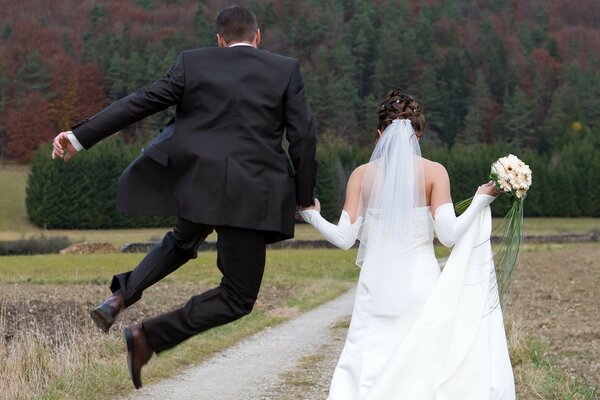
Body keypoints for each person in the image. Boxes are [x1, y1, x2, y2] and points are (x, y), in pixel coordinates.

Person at [51, 5, 317, 389]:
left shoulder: (193, 63)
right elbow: (304, 139)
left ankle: (120, 297)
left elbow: (139, 101)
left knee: (180, 241)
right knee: (238, 297)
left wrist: (80, 137)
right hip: (250, 195)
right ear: (257, 37)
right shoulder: (284, 69)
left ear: (220, 40)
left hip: (198, 185)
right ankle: (149, 337)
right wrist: (304, 198)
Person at [299, 89, 515, 399]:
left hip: (376, 287)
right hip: (419, 286)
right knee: (420, 362)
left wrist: (313, 216)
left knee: (368, 358)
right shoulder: (434, 172)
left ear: (379, 135)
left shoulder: (361, 176)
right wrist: (480, 200)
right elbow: (449, 235)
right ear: (418, 135)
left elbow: (344, 239)